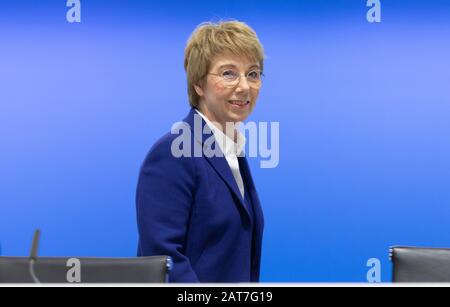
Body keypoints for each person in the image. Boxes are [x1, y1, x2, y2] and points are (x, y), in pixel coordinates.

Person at [136, 20, 265, 283]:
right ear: (198, 84)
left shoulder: (232, 153)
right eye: (228, 73)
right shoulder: (174, 152)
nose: (244, 86)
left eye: (252, 74)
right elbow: (164, 262)